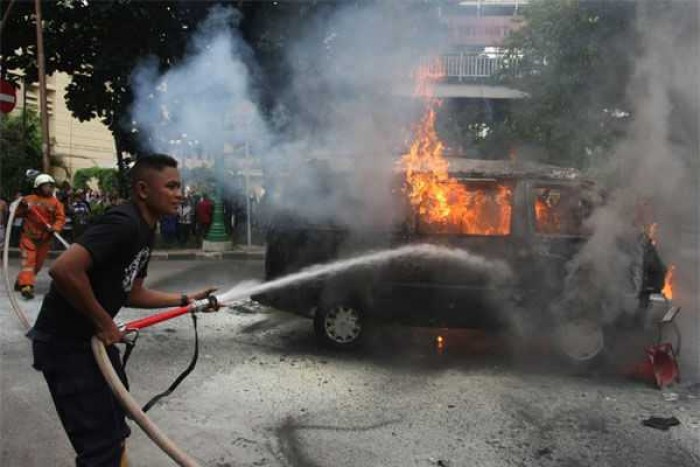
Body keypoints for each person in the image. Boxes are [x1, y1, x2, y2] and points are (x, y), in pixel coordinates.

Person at [27, 154, 218, 466]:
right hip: (67, 345)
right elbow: (63, 270)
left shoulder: (145, 230)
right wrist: (104, 323)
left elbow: (134, 292)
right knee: (100, 446)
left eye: (179, 186)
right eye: (171, 186)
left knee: (116, 423)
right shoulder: (123, 223)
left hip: (92, 341)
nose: (179, 193)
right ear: (143, 190)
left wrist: (187, 300)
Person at [15, 174, 66, 299]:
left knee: (37, 266)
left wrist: (55, 227)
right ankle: (27, 287)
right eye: (47, 186)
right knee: (29, 262)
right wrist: (21, 206)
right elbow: (16, 214)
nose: (50, 189)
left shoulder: (56, 203)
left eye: (51, 186)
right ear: (38, 187)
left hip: (44, 240)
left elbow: (60, 218)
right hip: (28, 237)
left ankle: (21, 281)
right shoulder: (29, 200)